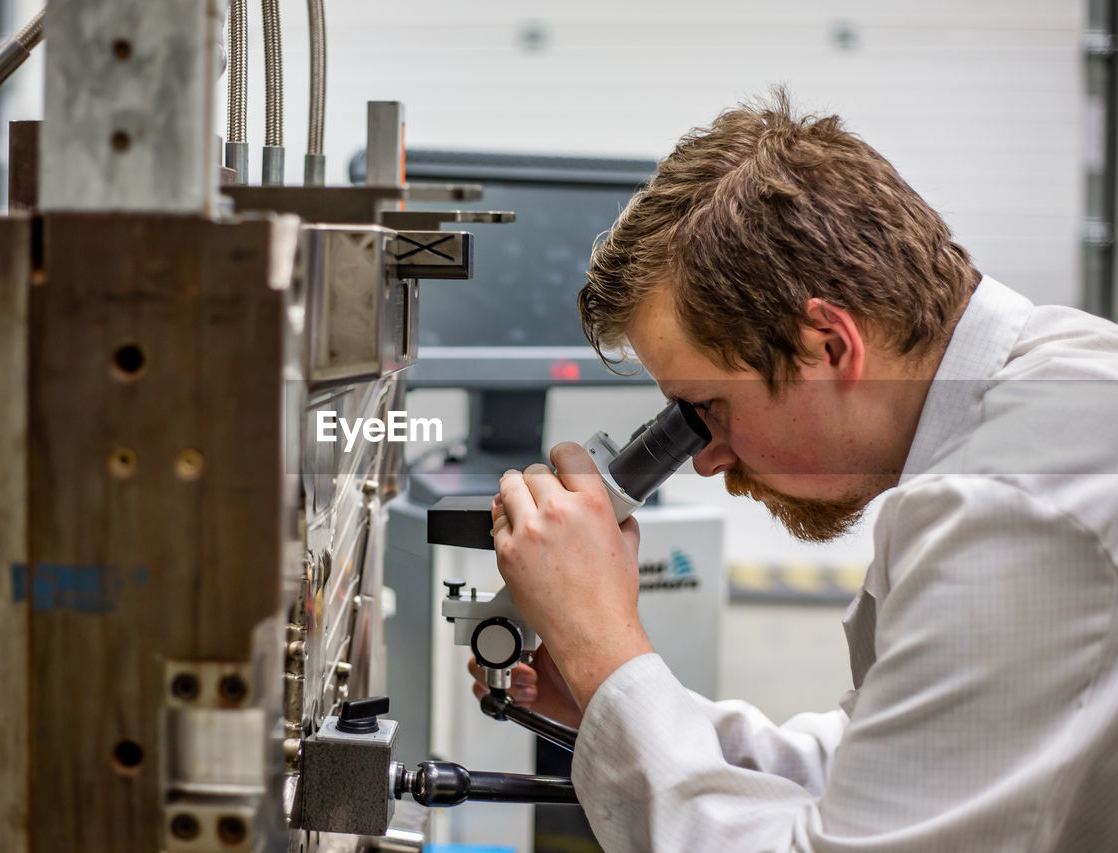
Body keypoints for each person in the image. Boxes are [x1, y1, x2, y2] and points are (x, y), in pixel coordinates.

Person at [470, 90, 1118, 851]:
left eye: (707, 406)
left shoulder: (1011, 501)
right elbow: (881, 771)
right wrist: (613, 698)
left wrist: (601, 644)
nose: (705, 458)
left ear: (829, 347)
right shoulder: (1043, 390)